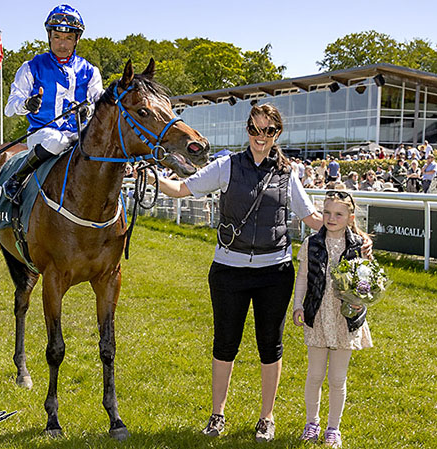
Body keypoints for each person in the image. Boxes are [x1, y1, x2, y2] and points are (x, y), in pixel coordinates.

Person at [148, 104, 371, 443]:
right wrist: (151, 177)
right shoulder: (226, 166)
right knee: (225, 344)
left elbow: (313, 218)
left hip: (274, 273)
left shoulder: (287, 173)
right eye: (254, 129)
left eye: (267, 131)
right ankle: (217, 414)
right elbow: (182, 190)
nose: (260, 137)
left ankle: (266, 417)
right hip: (228, 271)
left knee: (271, 346)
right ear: (247, 129)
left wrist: (358, 237)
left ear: (277, 133)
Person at [292, 190, 372, 448]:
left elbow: (368, 279)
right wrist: (298, 306)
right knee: (314, 375)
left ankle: (333, 428)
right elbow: (302, 277)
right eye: (326, 212)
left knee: (338, 378)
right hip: (317, 314)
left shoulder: (359, 245)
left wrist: (361, 300)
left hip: (344, 318)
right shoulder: (311, 243)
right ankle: (311, 423)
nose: (331, 218)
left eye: (338, 214)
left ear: (350, 217)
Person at [2, 4, 103, 204]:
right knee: (56, 141)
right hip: (42, 134)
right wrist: (27, 104)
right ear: (49, 37)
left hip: (79, 135)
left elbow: (100, 105)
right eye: (57, 37)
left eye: (68, 38)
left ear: (77, 39)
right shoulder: (31, 67)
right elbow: (9, 108)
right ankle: (17, 179)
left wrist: (88, 110)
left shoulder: (90, 71)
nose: (62, 44)